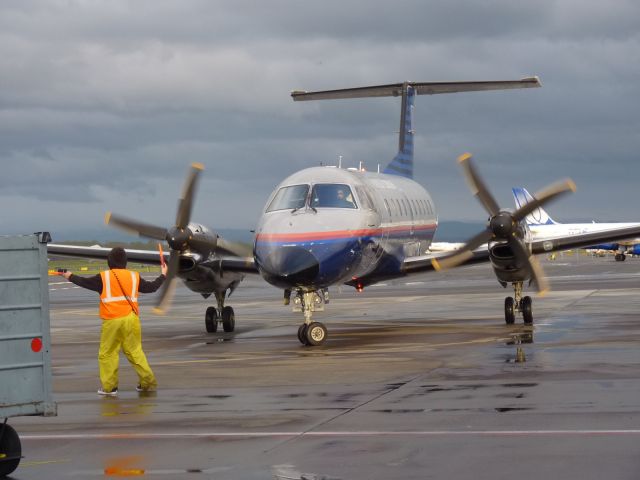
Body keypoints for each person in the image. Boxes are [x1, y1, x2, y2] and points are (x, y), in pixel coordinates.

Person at [62, 247, 167, 396]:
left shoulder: (103, 277)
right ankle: (147, 383)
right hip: (131, 318)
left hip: (112, 320)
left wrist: (68, 275)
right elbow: (151, 287)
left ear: (109, 262)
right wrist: (163, 275)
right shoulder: (134, 276)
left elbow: (84, 282)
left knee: (108, 354)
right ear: (125, 262)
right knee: (135, 352)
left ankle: (110, 388)